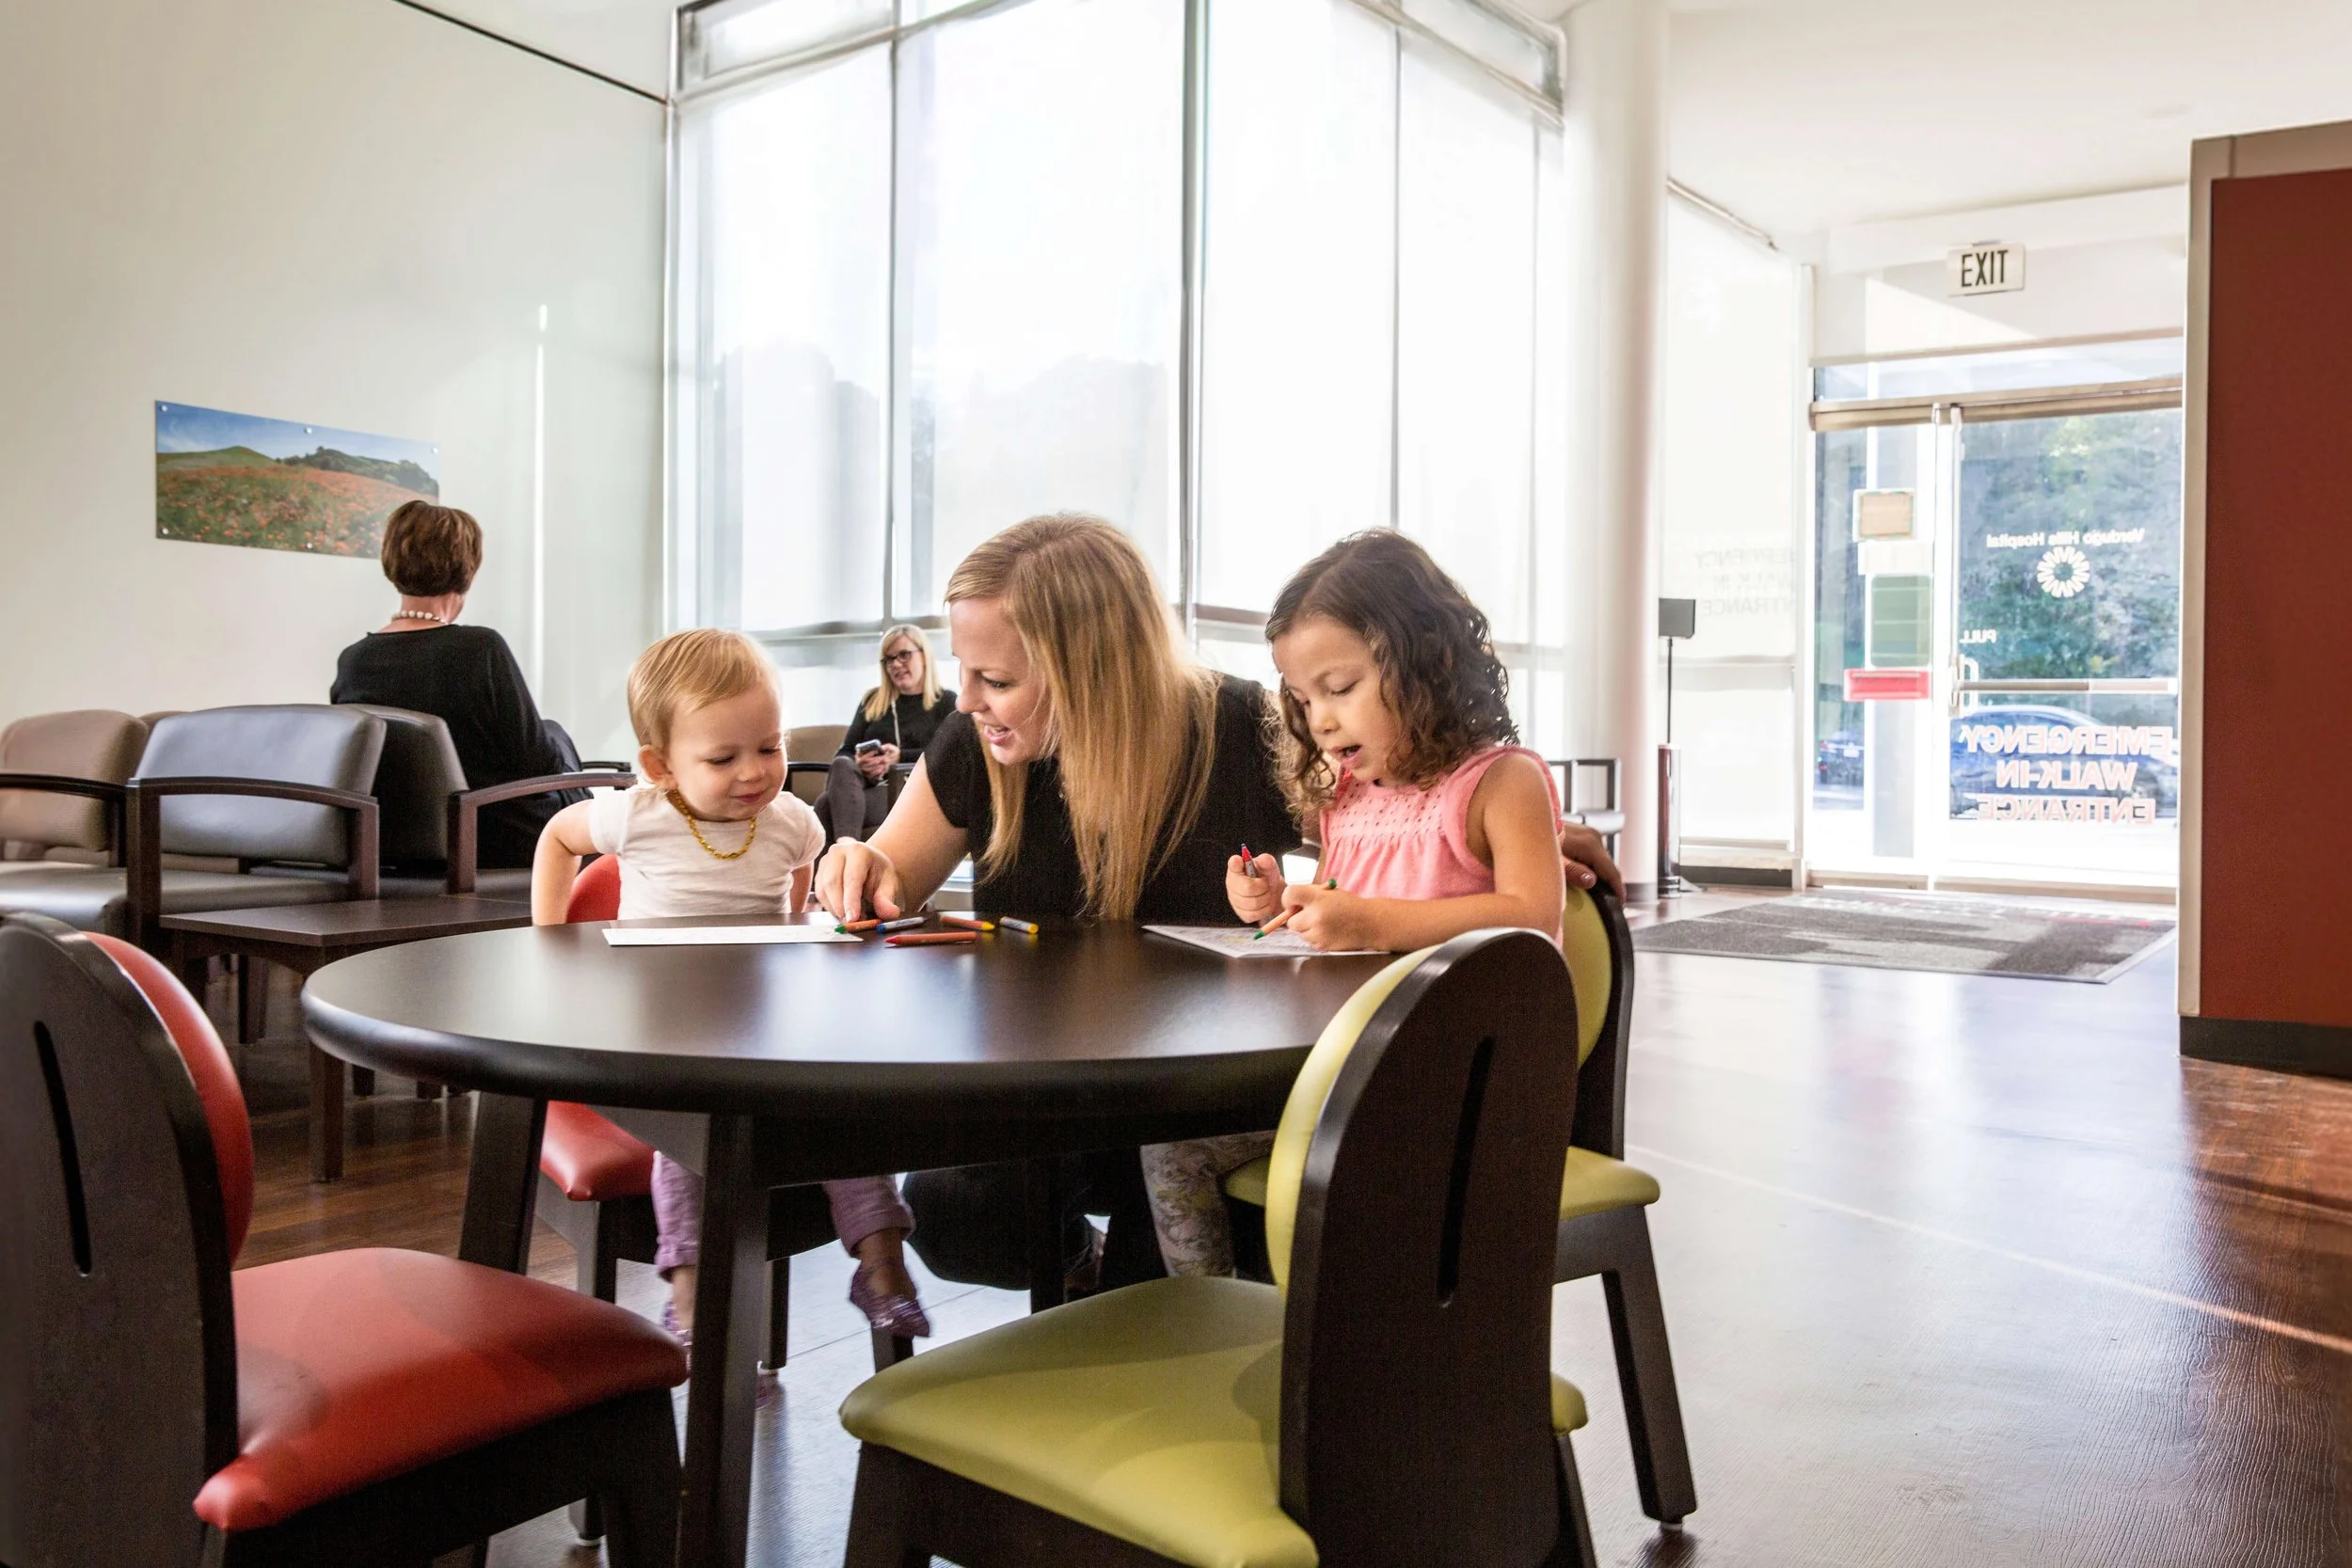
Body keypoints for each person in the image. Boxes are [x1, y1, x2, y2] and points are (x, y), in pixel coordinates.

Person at [818, 514, 1624, 1293]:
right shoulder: (977, 745)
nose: (965, 702)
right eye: (965, 672)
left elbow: (1406, 809)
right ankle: (1091, 1288)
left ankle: (1150, 1336)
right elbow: (888, 870)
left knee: (1159, 1263)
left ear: (1092, 667)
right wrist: (856, 861)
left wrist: (1519, 836)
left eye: (997, 680)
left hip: (1201, 1103)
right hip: (1054, 1099)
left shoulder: (1244, 728)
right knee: (960, 1210)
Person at [1144, 531, 1568, 1275]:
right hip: (1344, 1076)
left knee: (1327, 1170)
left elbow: (1534, 915)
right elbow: (1341, 917)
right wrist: (1280, 899)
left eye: (1339, 689)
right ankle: (1216, 1324)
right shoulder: (1345, 801)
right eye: (1304, 700)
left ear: (1428, 662)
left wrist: (1371, 921)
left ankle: (1337, 1346)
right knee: (1171, 1147)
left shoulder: (1503, 784)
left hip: (1455, 1085)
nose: (1321, 720)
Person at [530, 628, 930, 1342]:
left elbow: (801, 883)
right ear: (661, 765)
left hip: (762, 1024)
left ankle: (880, 1261)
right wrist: (551, 938)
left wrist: (797, 921)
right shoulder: (639, 813)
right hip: (668, 1028)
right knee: (692, 1137)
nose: (754, 772)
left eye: (769, 748)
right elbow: (557, 838)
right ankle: (688, 1291)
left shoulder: (790, 820)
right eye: (723, 757)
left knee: (846, 1110)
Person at [329, 499, 580, 868]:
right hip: (495, 836)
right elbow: (536, 761)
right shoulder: (480, 648)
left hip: (397, 843)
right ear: (469, 567)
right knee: (556, 739)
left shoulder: (354, 659)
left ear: (392, 561)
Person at [820, 624, 955, 843]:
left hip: (915, 795)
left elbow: (948, 754)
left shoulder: (946, 702)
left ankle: (842, 859)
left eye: (903, 655)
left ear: (924, 655)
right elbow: (844, 752)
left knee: (826, 805)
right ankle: (848, 851)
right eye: (889, 659)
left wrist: (899, 758)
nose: (895, 664)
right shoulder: (872, 701)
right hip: (870, 789)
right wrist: (860, 762)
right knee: (843, 765)